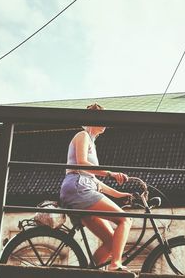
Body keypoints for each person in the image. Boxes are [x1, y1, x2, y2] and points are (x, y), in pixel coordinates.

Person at [59, 103, 132, 271]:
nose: (106, 123)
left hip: (82, 188)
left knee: (110, 241)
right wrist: (110, 173)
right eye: (103, 119)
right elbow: (82, 164)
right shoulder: (82, 135)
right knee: (125, 219)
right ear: (93, 120)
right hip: (79, 187)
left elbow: (93, 179)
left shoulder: (92, 143)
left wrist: (119, 194)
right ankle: (116, 264)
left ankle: (89, 273)